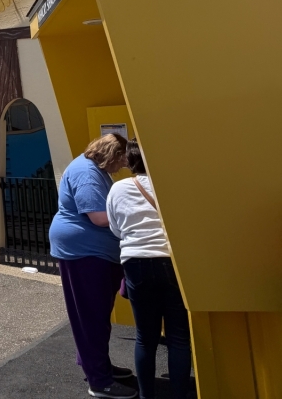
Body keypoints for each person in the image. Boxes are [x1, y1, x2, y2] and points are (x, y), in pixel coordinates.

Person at [48, 134, 136, 399]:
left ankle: (96, 366)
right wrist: (136, 212)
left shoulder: (88, 168)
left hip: (87, 250)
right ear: (113, 154)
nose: (121, 167)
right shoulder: (87, 173)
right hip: (84, 251)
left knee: (94, 314)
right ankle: (100, 381)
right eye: (121, 160)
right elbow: (98, 217)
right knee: (92, 316)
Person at [106, 140, 191, 399]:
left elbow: (116, 228)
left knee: (145, 337)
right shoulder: (172, 185)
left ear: (130, 161)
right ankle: (178, 394)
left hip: (135, 262)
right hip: (171, 261)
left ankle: (146, 395)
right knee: (178, 337)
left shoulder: (118, 188)